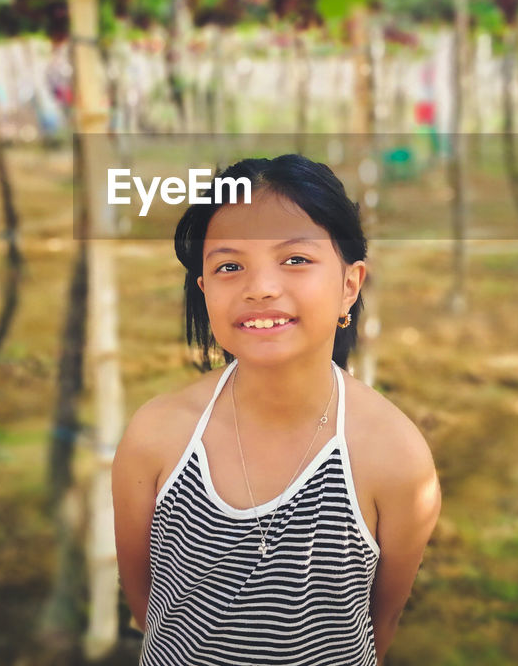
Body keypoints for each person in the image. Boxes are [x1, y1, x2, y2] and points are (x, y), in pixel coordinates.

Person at [112, 154, 442, 666]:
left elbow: (379, 624)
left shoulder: (394, 458)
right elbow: (146, 601)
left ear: (349, 286)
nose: (260, 287)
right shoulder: (156, 436)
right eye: (229, 265)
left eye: (295, 260)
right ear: (205, 291)